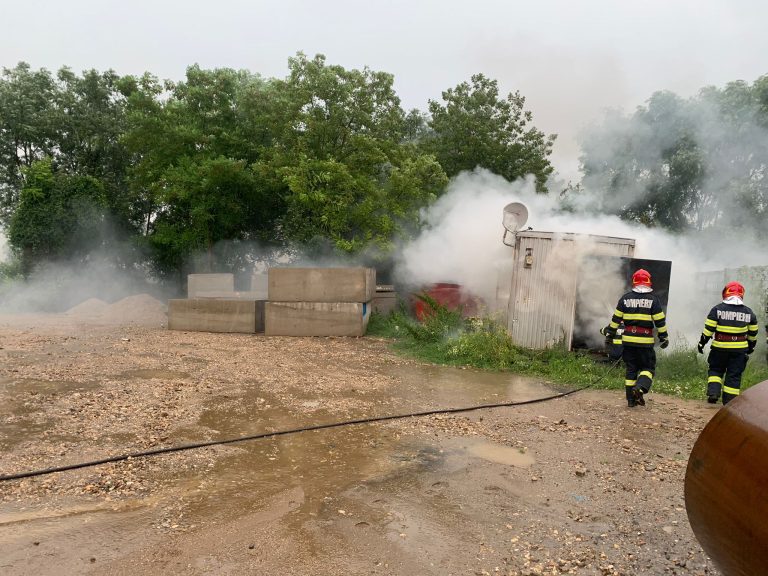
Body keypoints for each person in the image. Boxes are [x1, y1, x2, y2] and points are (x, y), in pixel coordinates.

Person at [601, 269, 669, 407]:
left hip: (628, 341)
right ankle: (640, 388)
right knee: (648, 368)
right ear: (649, 282)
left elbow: (615, 320)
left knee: (631, 369)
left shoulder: (625, 299)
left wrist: (609, 335)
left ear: (634, 281)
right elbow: (660, 322)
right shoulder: (653, 300)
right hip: (645, 343)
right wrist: (664, 337)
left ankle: (630, 400)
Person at [697, 281, 759, 405]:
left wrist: (702, 343)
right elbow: (753, 333)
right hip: (739, 351)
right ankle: (730, 403)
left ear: (725, 293)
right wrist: (751, 346)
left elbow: (708, 330)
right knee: (734, 375)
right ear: (742, 295)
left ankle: (713, 393)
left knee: (715, 370)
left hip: (719, 348)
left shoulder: (717, 309)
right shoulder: (749, 312)